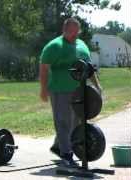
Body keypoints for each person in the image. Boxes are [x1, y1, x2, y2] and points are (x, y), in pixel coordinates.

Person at [39, 17, 102, 167]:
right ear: (64, 30)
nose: (74, 35)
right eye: (71, 32)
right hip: (59, 90)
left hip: (79, 90)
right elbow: (44, 68)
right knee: (63, 121)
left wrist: (97, 86)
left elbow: (89, 68)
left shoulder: (82, 46)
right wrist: (43, 89)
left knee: (77, 123)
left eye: (76, 32)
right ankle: (66, 153)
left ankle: (57, 146)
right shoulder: (54, 46)